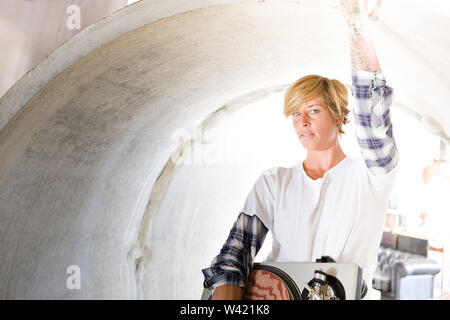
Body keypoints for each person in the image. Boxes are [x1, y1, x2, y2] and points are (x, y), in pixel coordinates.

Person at [202, 0, 399, 300]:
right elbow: (236, 252)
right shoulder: (273, 182)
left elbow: (373, 115)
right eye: (295, 113)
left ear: (338, 116)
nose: (302, 122)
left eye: (313, 110)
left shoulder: (371, 176)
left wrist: (354, 22)